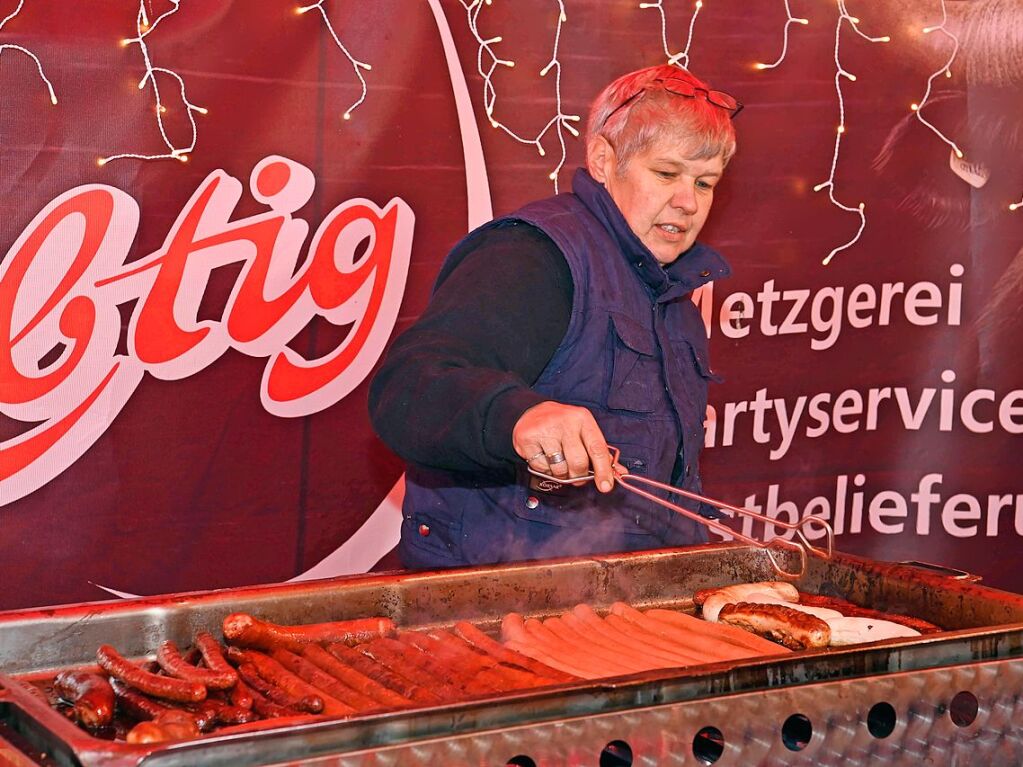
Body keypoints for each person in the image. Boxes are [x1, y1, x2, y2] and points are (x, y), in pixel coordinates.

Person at [369, 63, 740, 568]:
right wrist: (519, 416)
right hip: (490, 606)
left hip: (624, 608)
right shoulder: (534, 256)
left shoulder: (672, 289)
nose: (687, 202)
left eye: (704, 183)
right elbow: (408, 387)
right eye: (666, 173)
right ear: (604, 160)